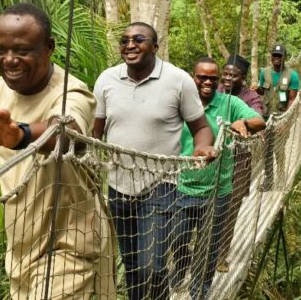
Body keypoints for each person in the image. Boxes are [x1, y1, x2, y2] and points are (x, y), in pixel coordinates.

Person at [0, 3, 115, 299]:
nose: (10, 60)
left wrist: (21, 136)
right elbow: (2, 125)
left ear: (49, 47)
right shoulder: (3, 87)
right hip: (22, 248)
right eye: (1, 50)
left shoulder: (72, 93)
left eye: (23, 50)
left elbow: (66, 133)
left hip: (69, 246)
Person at [92, 22, 216, 300]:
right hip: (118, 185)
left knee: (153, 265)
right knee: (132, 264)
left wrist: (203, 147)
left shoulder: (178, 80)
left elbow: (201, 127)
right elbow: (95, 132)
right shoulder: (106, 79)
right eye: (124, 40)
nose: (130, 45)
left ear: (155, 47)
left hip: (162, 185)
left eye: (139, 39)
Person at [174, 57, 265, 299]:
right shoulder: (182, 101)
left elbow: (260, 121)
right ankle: (180, 271)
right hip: (180, 186)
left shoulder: (229, 103)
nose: (207, 82)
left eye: (213, 79)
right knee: (177, 239)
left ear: (218, 81)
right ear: (193, 77)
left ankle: (199, 292)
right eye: (202, 77)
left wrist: (242, 121)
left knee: (209, 248)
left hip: (218, 190)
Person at [216, 54, 263, 271]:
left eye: (232, 75)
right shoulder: (216, 93)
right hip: (215, 157)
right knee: (208, 206)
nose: (227, 78)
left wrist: (242, 121)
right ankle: (201, 254)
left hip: (239, 160)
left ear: (242, 78)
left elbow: (259, 119)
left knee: (231, 207)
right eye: (224, 74)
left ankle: (220, 256)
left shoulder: (251, 97)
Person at [256, 44, 300, 118]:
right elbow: (262, 92)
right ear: (271, 56)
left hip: (281, 115)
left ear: (284, 57)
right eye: (274, 55)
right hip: (265, 113)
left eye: (279, 56)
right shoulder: (264, 72)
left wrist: (287, 116)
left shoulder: (293, 75)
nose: (276, 58)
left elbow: (292, 99)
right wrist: (257, 89)